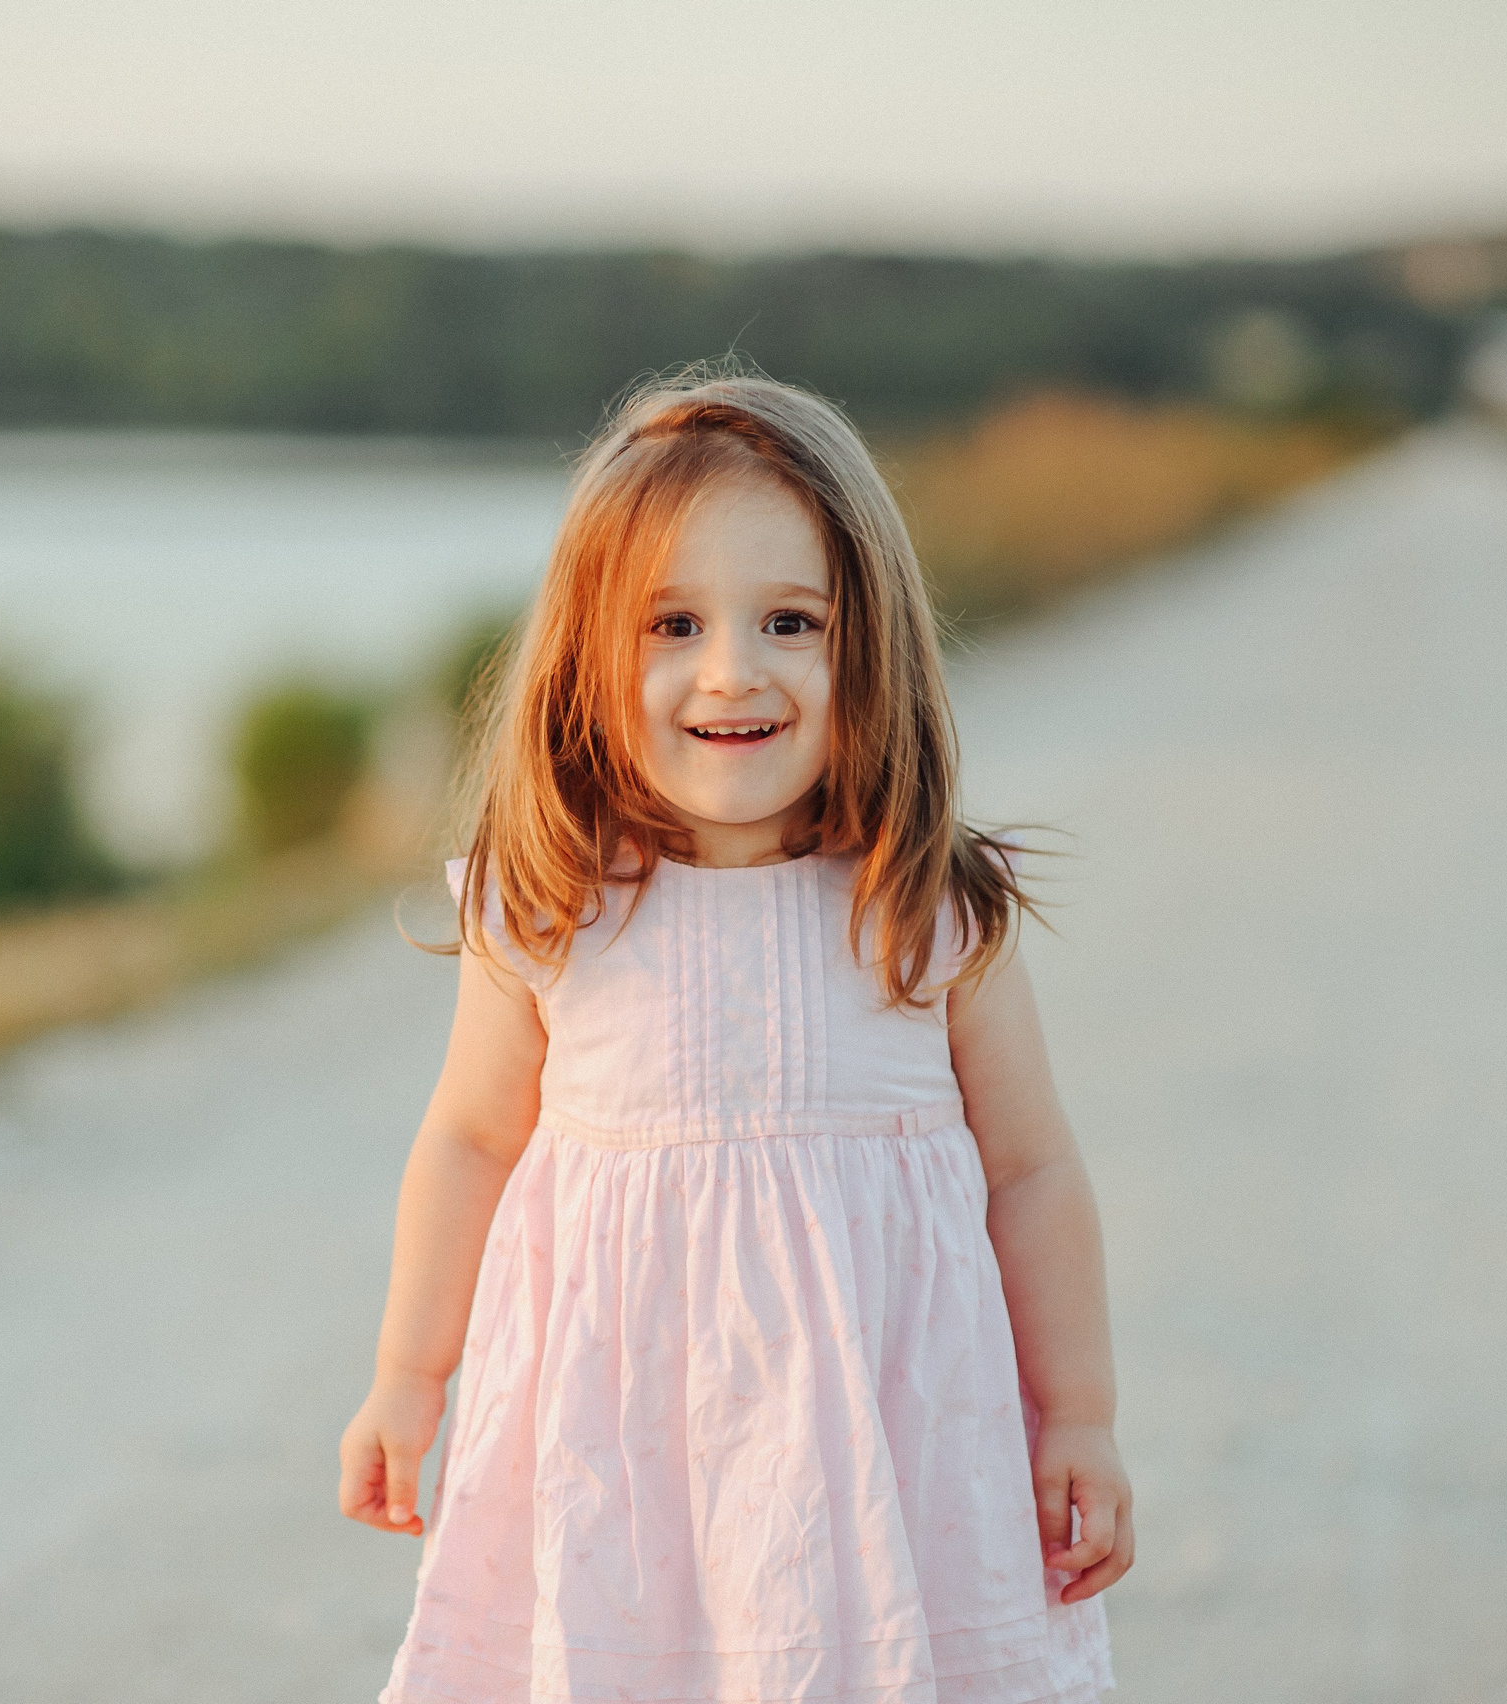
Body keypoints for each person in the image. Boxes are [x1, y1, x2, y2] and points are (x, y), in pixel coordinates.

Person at [338, 369, 1128, 1703]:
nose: (733, 671)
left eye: (790, 621)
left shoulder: (923, 910)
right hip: (626, 1467)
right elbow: (470, 1142)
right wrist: (409, 1381)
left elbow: (1031, 1172)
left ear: (865, 644)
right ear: (587, 654)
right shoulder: (553, 913)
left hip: (886, 1458)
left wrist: (1081, 1418)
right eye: (672, 624)